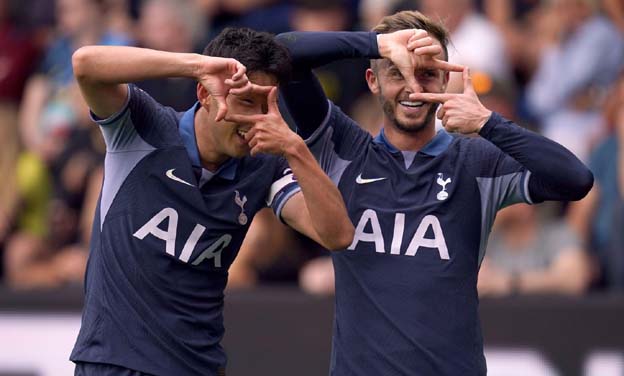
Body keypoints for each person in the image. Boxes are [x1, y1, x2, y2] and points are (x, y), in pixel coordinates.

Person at [276, 10, 593, 375]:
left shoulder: (476, 161)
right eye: (396, 71)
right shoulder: (344, 146)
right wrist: (375, 44)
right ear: (372, 80)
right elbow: (284, 52)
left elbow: (575, 179)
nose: (413, 87)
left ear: (445, 79)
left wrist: (489, 124)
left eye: (426, 73)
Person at [68, 27, 354, 376]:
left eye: (268, 106)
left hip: (198, 367)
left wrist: (295, 148)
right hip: (115, 361)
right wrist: (196, 65)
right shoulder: (144, 128)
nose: (257, 119)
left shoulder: (265, 166)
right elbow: (85, 64)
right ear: (206, 93)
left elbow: (336, 235)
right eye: (247, 102)